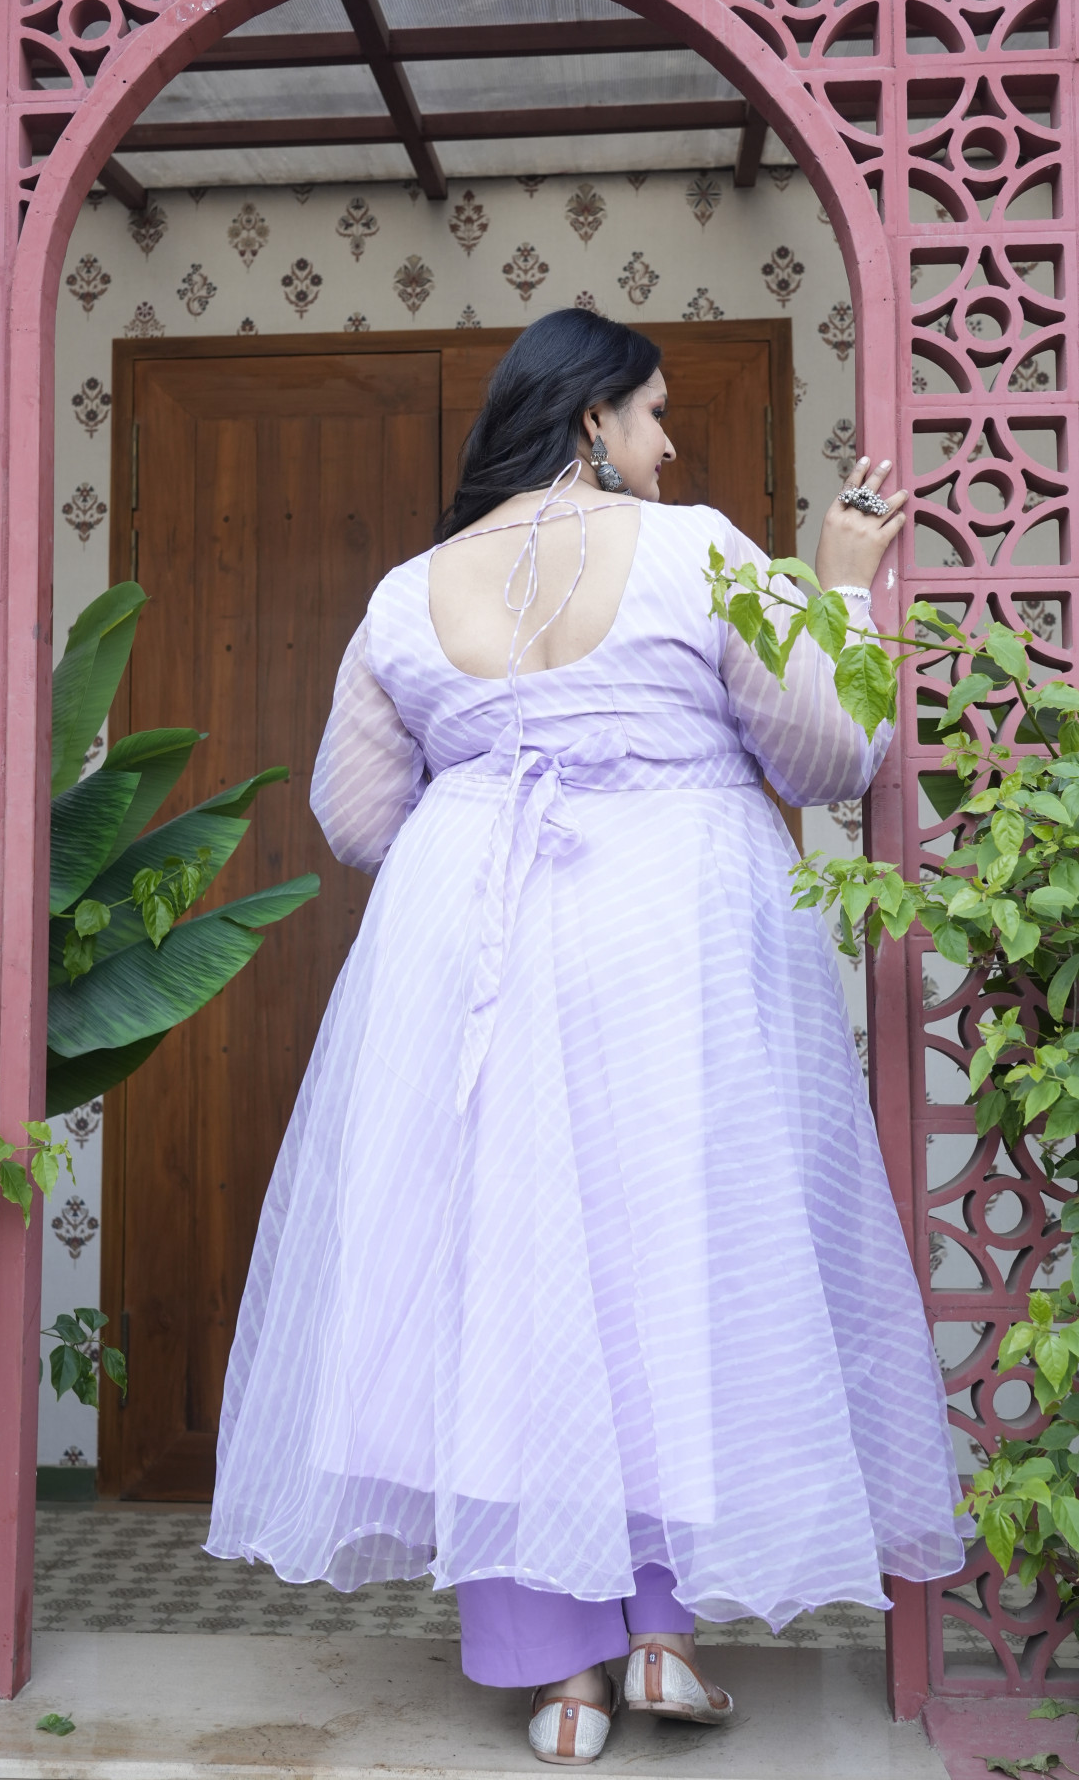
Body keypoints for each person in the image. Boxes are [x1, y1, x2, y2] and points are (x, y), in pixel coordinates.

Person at [206, 309, 964, 1761]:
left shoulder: (403, 594)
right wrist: (840, 584)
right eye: (653, 415)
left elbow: (358, 819)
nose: (667, 444)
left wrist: (493, 772)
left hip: (465, 954)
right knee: (672, 1261)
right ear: (589, 422)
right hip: (662, 932)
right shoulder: (694, 551)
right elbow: (824, 750)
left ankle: (557, 1678)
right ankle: (665, 1643)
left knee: (500, 1281)